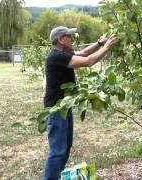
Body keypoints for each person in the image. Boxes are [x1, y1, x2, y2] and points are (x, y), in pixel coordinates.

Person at [42, 26, 118, 180]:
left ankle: (56, 176)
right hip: (56, 110)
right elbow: (89, 61)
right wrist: (108, 47)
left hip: (64, 108)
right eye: (69, 36)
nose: (72, 38)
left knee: (66, 147)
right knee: (57, 151)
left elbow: (84, 53)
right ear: (61, 40)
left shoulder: (63, 53)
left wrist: (99, 43)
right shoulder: (56, 57)